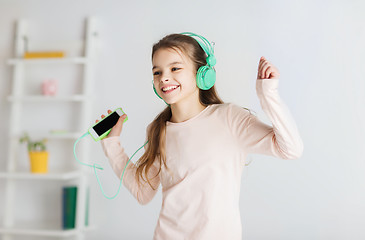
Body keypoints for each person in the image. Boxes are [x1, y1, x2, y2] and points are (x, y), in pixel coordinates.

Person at [96, 32, 303, 240]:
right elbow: (143, 193)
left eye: (175, 68)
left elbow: (290, 149)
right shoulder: (157, 129)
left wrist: (268, 95)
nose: (164, 78)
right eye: (157, 72)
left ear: (202, 72)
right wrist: (111, 144)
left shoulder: (229, 118)